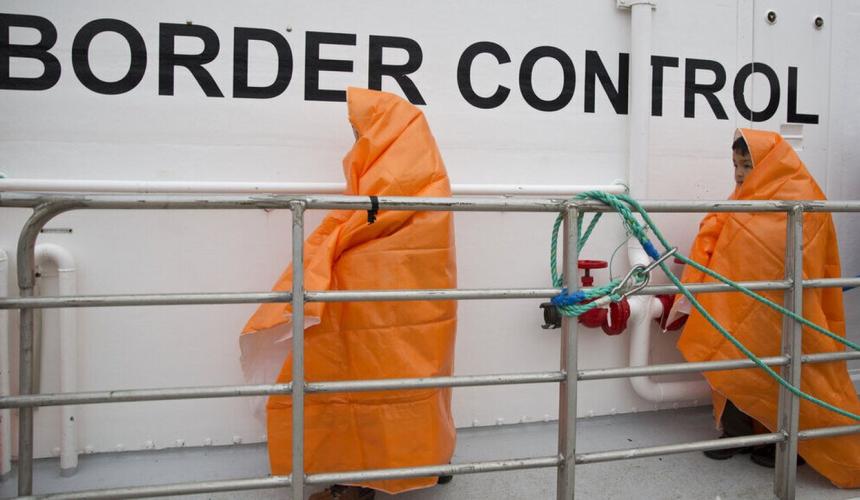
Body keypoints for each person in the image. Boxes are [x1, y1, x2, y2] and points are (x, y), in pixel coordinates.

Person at [240, 88, 458, 499]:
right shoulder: (404, 167)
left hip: (386, 299)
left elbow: (378, 215)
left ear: (387, 131)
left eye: (361, 129)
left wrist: (331, 242)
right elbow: (370, 212)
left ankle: (369, 479)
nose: (357, 137)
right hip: (401, 301)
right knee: (400, 381)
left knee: (369, 382)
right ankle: (407, 465)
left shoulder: (403, 170)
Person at [673, 129, 860, 487]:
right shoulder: (744, 197)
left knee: (785, 370)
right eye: (735, 165)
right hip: (736, 305)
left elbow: (808, 252)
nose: (739, 173)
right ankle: (737, 434)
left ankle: (785, 441)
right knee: (731, 361)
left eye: (747, 165)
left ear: (768, 163)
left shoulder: (803, 195)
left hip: (784, 309)